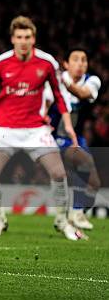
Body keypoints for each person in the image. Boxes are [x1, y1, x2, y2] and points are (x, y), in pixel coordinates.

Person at [0, 16, 85, 241]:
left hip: (36, 130)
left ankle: (62, 221)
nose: (23, 41)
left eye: (27, 37)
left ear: (33, 38)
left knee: (58, 173)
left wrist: (67, 125)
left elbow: (59, 95)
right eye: (19, 37)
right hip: (5, 130)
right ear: (12, 39)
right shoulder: (0, 63)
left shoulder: (47, 63)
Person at [43, 47, 102, 230]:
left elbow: (83, 94)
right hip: (55, 137)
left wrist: (64, 82)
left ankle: (71, 215)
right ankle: (75, 214)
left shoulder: (92, 81)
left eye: (84, 60)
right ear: (66, 64)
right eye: (75, 59)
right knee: (83, 162)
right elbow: (43, 105)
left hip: (77, 137)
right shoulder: (52, 83)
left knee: (94, 183)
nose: (80, 64)